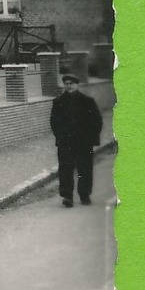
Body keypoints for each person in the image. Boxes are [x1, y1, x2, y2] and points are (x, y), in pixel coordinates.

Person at [49, 73, 103, 207]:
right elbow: (54, 122)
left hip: (83, 143)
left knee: (84, 169)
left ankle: (85, 195)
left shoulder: (87, 101)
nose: (69, 86)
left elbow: (96, 121)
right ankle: (67, 196)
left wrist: (91, 139)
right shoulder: (58, 102)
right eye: (66, 83)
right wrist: (60, 137)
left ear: (77, 84)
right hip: (65, 143)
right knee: (65, 169)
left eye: (71, 83)